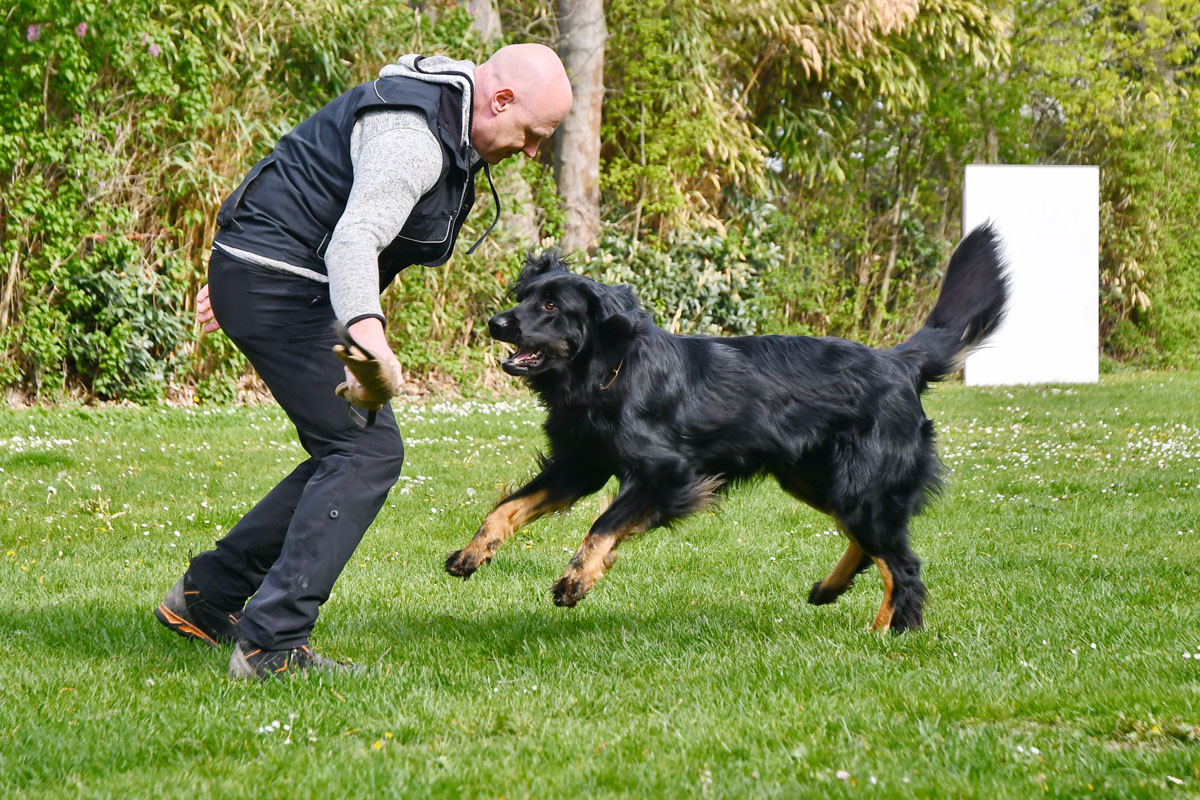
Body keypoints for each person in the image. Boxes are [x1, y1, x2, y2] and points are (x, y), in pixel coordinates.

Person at [153, 44, 573, 679]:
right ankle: (272, 645)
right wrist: (367, 335)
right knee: (364, 452)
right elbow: (354, 237)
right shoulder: (416, 138)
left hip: (272, 273)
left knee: (349, 448)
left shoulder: (450, 112)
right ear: (502, 100)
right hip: (279, 282)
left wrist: (241, 264)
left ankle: (207, 597)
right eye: (534, 135)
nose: (534, 151)